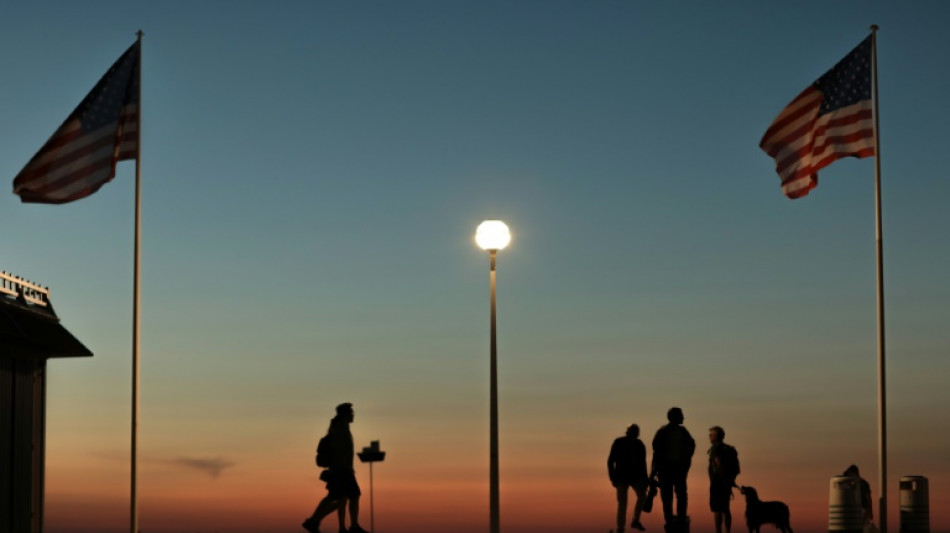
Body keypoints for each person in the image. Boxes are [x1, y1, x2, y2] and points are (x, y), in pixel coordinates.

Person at [303, 403, 370, 533]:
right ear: (345, 414)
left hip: (341, 469)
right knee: (353, 495)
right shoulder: (341, 429)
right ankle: (353, 526)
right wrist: (341, 467)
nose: (352, 415)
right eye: (350, 412)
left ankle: (314, 521)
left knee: (338, 498)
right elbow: (339, 451)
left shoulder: (341, 428)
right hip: (342, 470)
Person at [651, 407, 695, 533]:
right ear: (674, 417)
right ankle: (669, 521)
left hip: (679, 469)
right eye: (681, 415)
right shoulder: (663, 432)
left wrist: (685, 462)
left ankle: (680, 519)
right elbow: (656, 451)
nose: (683, 417)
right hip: (666, 469)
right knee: (667, 496)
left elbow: (691, 446)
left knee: (681, 495)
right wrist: (655, 470)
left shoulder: (682, 431)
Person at [608, 424, 649, 532]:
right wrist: (612, 477)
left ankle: (634, 521)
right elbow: (611, 460)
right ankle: (621, 528)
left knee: (641, 497)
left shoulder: (639, 444)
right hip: (622, 477)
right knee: (623, 503)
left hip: (633, 477)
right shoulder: (620, 442)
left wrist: (645, 480)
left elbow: (642, 464)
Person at [707, 426, 740, 533]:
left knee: (717, 510)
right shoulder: (730, 449)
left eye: (711, 434)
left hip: (718, 482)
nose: (709, 436)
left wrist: (723, 479)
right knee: (726, 509)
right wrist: (730, 481)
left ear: (716, 437)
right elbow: (737, 469)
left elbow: (718, 463)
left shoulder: (715, 448)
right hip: (727, 483)